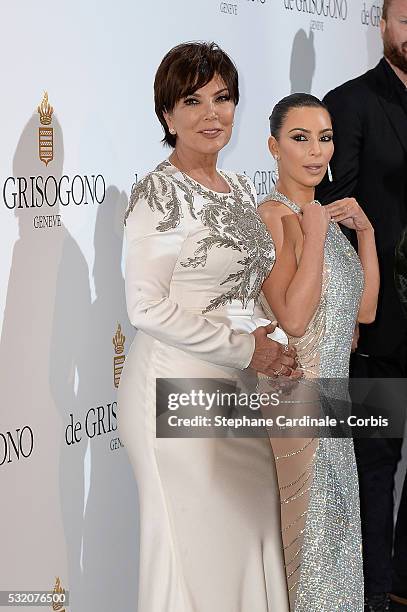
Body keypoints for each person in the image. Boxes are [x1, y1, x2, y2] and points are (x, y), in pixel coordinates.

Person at [117, 42, 299, 612]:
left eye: (222, 98)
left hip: (237, 388)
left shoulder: (242, 189)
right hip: (175, 388)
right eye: (191, 101)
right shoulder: (160, 193)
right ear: (167, 115)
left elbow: (244, 290)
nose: (211, 113)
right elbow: (145, 306)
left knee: (249, 543)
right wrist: (245, 349)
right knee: (197, 559)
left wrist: (275, 347)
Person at [257, 93, 380, 611]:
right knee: (303, 559)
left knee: (335, 560)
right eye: (299, 138)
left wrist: (367, 234)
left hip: (334, 408)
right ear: (273, 147)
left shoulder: (323, 220)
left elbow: (365, 312)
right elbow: (295, 318)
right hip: (295, 407)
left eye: (324, 138)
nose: (315, 151)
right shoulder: (272, 215)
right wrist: (310, 226)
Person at [316, 1, 407, 609]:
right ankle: (374, 592)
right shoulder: (350, 102)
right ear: (382, 24)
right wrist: (356, 306)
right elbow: (338, 216)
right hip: (380, 323)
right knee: (376, 461)